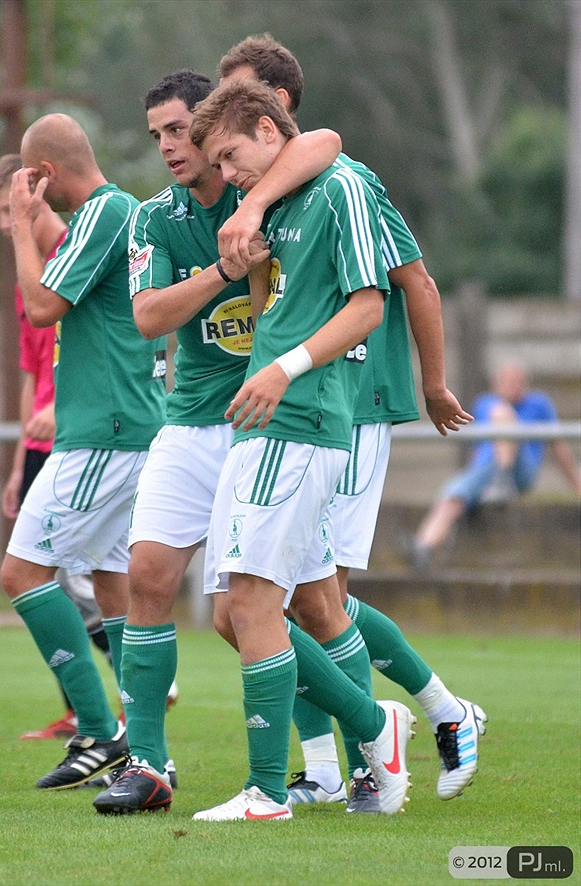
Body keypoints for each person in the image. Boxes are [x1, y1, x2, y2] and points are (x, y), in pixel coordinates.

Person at [90, 69, 380, 816]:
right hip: (192, 423)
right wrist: (224, 269)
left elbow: (322, 139)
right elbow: (150, 317)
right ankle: (150, 765)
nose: (169, 147)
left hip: (273, 424)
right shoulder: (157, 218)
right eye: (156, 134)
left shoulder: (285, 190)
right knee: (149, 574)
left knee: (312, 606)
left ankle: (371, 744)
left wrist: (250, 203)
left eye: (179, 131)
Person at [215, 34, 488, 810]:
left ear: (280, 110)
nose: (225, 121)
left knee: (313, 597)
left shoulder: (343, 178)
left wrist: (433, 385)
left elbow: (412, 285)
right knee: (279, 602)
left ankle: (408, 728)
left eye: (242, 95)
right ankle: (347, 757)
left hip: (351, 404)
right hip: (296, 408)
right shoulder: (265, 196)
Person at [182, 79, 418, 823]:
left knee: (253, 604)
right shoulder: (278, 201)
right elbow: (273, 301)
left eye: (231, 155)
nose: (228, 175)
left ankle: (264, 794)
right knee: (234, 614)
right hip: (265, 418)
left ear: (265, 126)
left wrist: (284, 367)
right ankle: (376, 726)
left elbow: (370, 306)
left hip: (303, 417)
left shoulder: (341, 187)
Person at [0, 113, 167, 790]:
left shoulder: (107, 211)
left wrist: (19, 222)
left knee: (21, 573)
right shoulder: (109, 218)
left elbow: (41, 306)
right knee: (110, 584)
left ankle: (101, 732)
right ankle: (147, 746)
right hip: (117, 426)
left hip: (106, 431)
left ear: (46, 173)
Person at [0, 153, 112, 742]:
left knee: (57, 577)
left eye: (7, 210)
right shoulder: (28, 268)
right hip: (54, 440)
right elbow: (38, 365)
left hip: (92, 435)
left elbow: (110, 342)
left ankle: (112, 717)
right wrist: (19, 461)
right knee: (79, 578)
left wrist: (59, 408)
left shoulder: (87, 242)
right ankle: (98, 718)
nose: (4, 223)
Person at [412, 361, 581, 569]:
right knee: (453, 495)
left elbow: (558, 448)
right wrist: (472, 484)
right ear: (497, 384)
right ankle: (422, 546)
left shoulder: (538, 404)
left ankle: (504, 480)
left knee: (503, 415)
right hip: (486, 471)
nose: (513, 386)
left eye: (518, 381)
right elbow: (478, 450)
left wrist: (577, 486)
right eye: (508, 381)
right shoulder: (484, 403)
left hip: (520, 470)